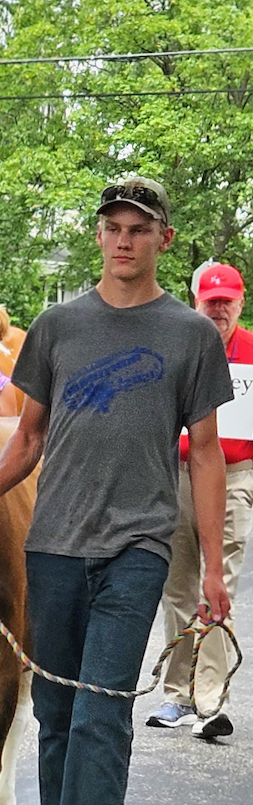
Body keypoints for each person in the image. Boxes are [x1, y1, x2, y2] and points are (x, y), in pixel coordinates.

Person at [0, 177, 233, 805]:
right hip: (53, 545)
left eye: (138, 228)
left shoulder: (191, 336)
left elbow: (205, 456)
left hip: (138, 544)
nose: (122, 239)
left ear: (163, 240)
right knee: (56, 708)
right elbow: (32, 434)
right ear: (100, 236)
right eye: (112, 226)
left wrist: (211, 568)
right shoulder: (57, 326)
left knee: (102, 714)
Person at [146, 263, 249, 739]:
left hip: (233, 474)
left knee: (218, 579)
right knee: (179, 584)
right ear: (196, 304)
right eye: (211, 302)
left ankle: (208, 700)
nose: (219, 310)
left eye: (227, 302)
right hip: (179, 472)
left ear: (241, 303)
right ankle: (176, 695)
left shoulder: (250, 352)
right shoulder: (177, 345)